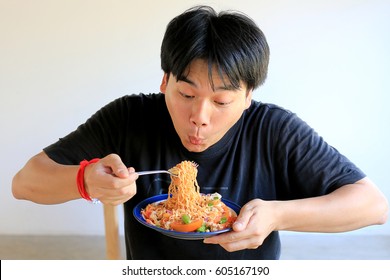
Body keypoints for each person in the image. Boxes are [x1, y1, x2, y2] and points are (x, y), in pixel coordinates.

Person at [12, 5, 388, 260]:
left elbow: (373, 206)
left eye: (221, 101)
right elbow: (25, 183)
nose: (199, 117)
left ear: (247, 98)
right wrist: (85, 181)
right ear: (165, 81)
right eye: (186, 94)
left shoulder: (274, 130)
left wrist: (278, 216)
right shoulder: (130, 117)